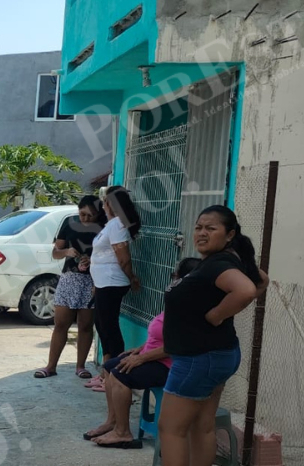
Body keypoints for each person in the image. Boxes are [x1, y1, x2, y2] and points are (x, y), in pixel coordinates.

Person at [154, 206, 269, 466]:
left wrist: (219, 314)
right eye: (199, 226)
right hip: (217, 355)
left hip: (197, 359)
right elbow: (261, 281)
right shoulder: (223, 262)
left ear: (229, 234)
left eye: (212, 228)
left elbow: (248, 289)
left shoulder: (220, 264)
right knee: (202, 427)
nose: (202, 233)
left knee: (171, 429)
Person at [86, 258, 202, 446]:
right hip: (154, 357)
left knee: (119, 374)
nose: (173, 280)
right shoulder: (180, 299)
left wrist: (141, 358)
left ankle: (123, 432)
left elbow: (177, 344)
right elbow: (162, 334)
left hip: (170, 365)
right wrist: (140, 349)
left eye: (175, 276)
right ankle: (113, 421)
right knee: (109, 366)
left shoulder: (193, 307)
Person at [35, 196, 105, 379]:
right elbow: (55, 252)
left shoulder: (104, 227)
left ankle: (80, 366)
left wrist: (94, 260)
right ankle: (51, 366)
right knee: (60, 324)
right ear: (78, 210)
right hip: (70, 278)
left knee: (85, 325)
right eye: (83, 214)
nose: (86, 218)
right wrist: (67, 251)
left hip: (92, 280)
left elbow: (110, 254)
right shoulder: (69, 223)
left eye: (91, 215)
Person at [87, 187, 141, 386]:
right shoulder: (111, 225)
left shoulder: (118, 225)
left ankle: (116, 377)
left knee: (109, 328)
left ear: (111, 204)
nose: (102, 205)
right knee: (101, 326)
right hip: (103, 283)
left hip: (112, 283)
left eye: (105, 202)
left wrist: (132, 278)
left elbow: (123, 258)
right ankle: (105, 373)